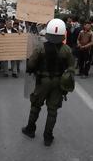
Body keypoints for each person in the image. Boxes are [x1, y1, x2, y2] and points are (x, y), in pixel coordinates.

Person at [22, 18, 75, 147]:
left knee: (35, 106)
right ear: (63, 34)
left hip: (42, 81)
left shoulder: (40, 47)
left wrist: (33, 69)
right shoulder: (67, 50)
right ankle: (48, 137)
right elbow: (71, 68)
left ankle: (30, 129)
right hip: (58, 83)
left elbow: (30, 65)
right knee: (53, 110)